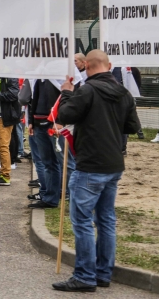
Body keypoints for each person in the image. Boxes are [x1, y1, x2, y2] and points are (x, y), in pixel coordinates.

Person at [51, 50, 141, 292]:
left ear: (87, 66)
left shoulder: (87, 90)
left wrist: (67, 93)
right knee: (106, 220)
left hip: (90, 164)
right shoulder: (123, 92)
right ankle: (102, 273)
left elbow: (64, 115)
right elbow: (132, 126)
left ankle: (85, 276)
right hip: (113, 164)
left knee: (81, 221)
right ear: (109, 65)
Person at [28, 78, 62, 209]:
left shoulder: (58, 79)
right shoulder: (39, 80)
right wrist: (31, 121)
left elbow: (65, 100)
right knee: (47, 162)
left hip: (52, 124)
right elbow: (33, 101)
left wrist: (59, 120)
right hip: (38, 124)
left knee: (56, 162)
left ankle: (54, 196)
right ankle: (48, 196)